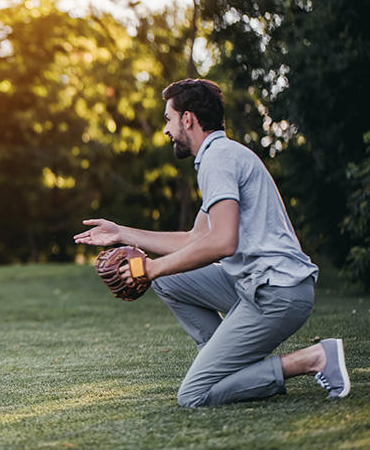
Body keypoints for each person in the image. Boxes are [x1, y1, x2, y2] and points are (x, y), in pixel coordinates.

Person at [74, 79, 350, 407]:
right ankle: (226, 365)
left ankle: (314, 358)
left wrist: (150, 268)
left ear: (187, 119)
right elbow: (195, 239)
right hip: (257, 285)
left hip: (277, 293)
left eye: (168, 119)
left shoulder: (218, 159)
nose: (166, 130)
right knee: (169, 281)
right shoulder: (221, 155)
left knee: (194, 395)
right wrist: (122, 233)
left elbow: (222, 243)